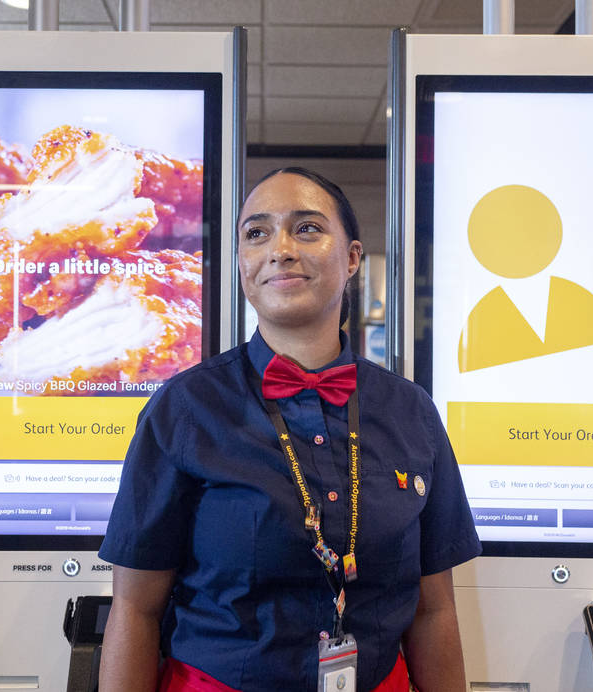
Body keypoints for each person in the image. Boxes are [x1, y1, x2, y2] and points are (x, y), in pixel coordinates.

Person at [98, 167, 481, 692]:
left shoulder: (411, 412)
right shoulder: (184, 409)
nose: (280, 248)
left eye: (306, 228)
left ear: (351, 259)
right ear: (241, 264)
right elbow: (135, 609)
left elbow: (433, 609)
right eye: (257, 233)